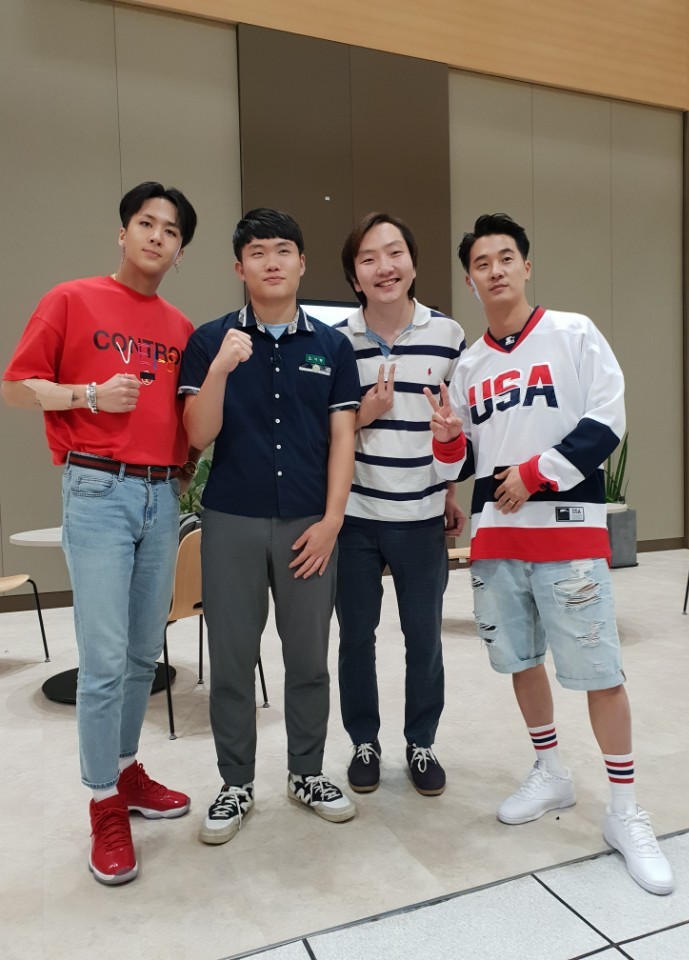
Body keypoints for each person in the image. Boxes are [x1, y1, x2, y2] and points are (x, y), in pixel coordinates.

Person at [425, 212, 674, 895]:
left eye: (506, 257)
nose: (495, 270)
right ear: (471, 280)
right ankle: (551, 771)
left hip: (567, 535)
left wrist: (537, 472)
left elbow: (607, 420)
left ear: (526, 266)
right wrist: (446, 439)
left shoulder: (573, 333)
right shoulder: (469, 366)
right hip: (497, 542)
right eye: (482, 263)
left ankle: (625, 810)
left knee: (599, 672)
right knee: (521, 661)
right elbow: (462, 462)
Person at [2, 181, 199, 886]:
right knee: (106, 660)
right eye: (146, 223)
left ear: (179, 252)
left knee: (144, 653)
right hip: (97, 488)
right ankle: (103, 803)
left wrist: (184, 469)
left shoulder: (181, 327)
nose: (156, 236)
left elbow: (185, 415)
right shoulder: (71, 299)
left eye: (170, 231)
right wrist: (87, 394)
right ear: (123, 233)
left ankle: (125, 769)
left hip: (161, 494)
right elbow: (15, 385)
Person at [179, 208, 361, 844]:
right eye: (257, 252)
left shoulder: (332, 347)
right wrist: (221, 368)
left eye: (283, 250)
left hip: (309, 523)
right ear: (240, 267)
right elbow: (197, 435)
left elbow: (344, 438)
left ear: (302, 263)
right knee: (232, 659)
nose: (272, 261)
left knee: (308, 658)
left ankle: (306, 773)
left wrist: (333, 520)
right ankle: (236, 783)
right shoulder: (210, 340)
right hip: (230, 520)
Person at [334, 213, 467, 796]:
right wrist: (364, 413)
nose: (383, 267)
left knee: (424, 637)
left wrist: (451, 494)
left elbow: (457, 428)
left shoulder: (449, 336)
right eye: (368, 258)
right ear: (354, 276)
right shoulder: (337, 342)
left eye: (394, 253)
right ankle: (364, 741)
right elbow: (323, 434)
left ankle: (421, 742)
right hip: (355, 518)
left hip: (421, 517)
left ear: (413, 263)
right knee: (355, 638)